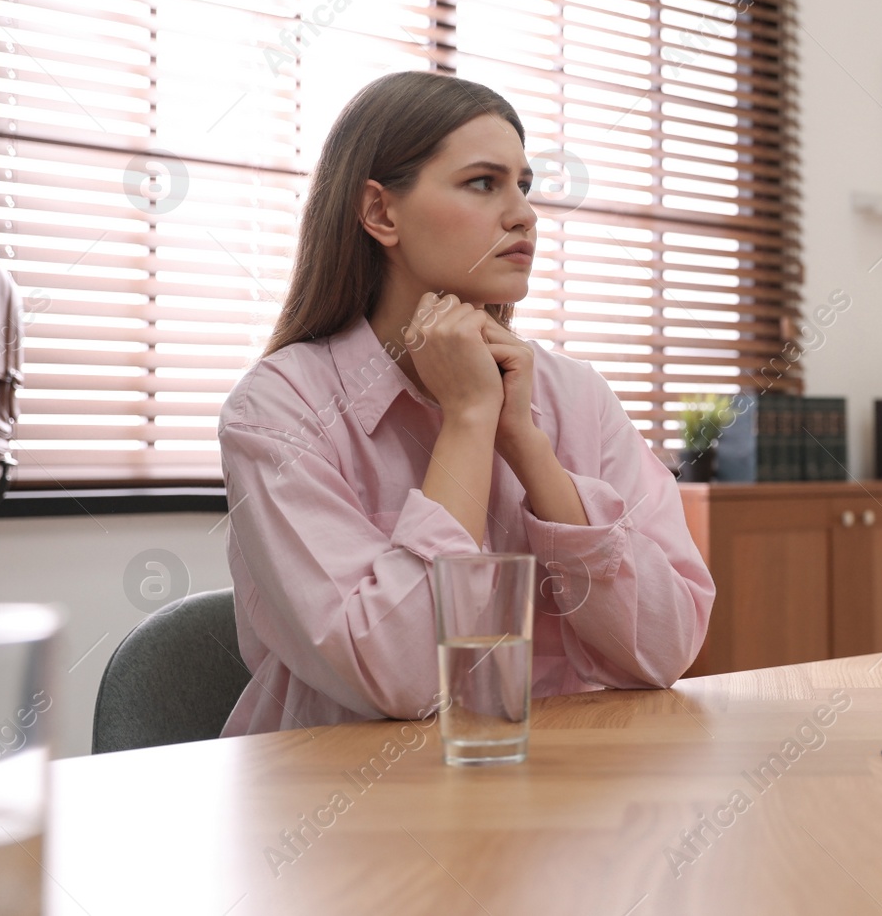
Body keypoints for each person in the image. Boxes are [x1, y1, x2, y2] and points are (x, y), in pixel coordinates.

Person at [217, 71, 715, 736]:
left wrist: (529, 449)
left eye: (524, 185)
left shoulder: (574, 395)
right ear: (380, 212)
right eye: (484, 182)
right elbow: (405, 681)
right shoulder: (279, 411)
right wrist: (469, 422)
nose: (524, 213)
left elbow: (667, 647)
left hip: (560, 795)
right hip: (342, 810)